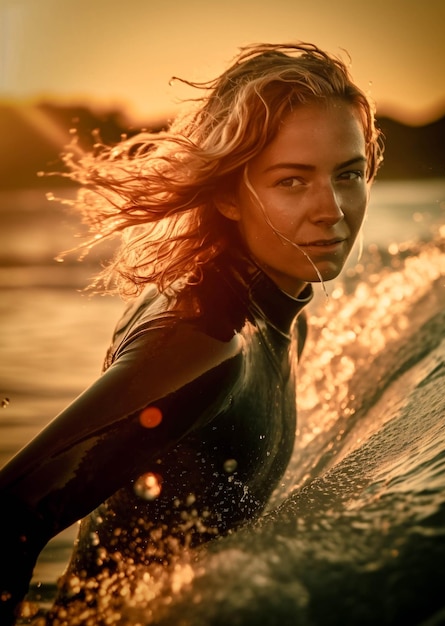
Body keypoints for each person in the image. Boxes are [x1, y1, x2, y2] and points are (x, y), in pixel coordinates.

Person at [0, 42, 382, 624]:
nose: (332, 208)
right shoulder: (204, 340)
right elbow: (14, 515)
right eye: (291, 181)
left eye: (349, 174)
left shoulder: (278, 317)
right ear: (229, 196)